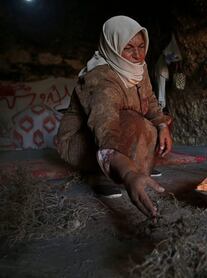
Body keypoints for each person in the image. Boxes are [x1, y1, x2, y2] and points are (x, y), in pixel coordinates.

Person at [56, 15, 173, 218]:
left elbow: (150, 101)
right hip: (83, 141)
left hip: (115, 131)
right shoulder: (101, 79)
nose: (138, 54)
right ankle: (105, 176)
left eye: (141, 46)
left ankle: (134, 167)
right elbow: (105, 125)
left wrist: (163, 127)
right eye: (128, 48)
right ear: (113, 46)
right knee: (132, 121)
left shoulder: (139, 68)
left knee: (156, 123)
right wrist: (128, 174)